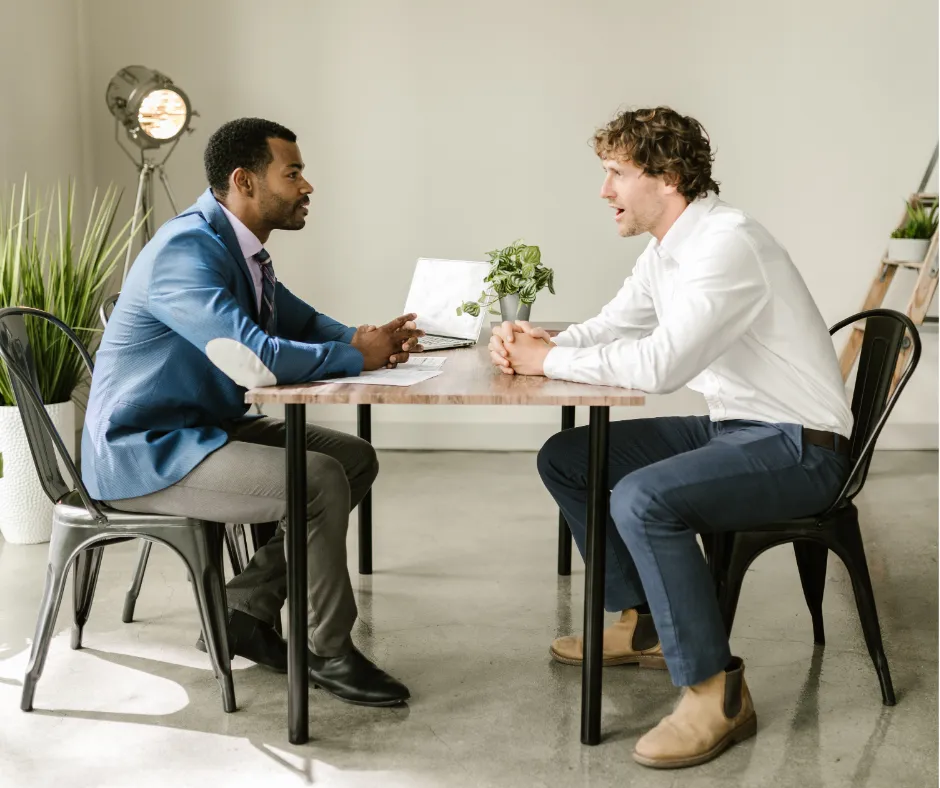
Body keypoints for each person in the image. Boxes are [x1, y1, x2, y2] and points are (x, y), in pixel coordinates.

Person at [489, 106, 852, 768]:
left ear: (668, 176)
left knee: (642, 498)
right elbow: (616, 323)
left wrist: (548, 363)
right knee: (570, 458)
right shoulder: (671, 249)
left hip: (799, 447)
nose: (605, 191)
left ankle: (718, 692)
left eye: (616, 174)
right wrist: (547, 342)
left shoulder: (726, 244)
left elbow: (660, 366)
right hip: (735, 427)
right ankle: (645, 623)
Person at [82, 117, 424, 707]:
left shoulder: (241, 248)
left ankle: (245, 609)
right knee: (314, 479)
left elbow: (302, 321)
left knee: (352, 457)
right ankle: (329, 651)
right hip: (147, 448)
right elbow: (255, 361)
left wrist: (368, 340)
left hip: (205, 430)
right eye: (292, 173)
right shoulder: (187, 250)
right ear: (244, 180)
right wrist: (353, 355)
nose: (307, 186)